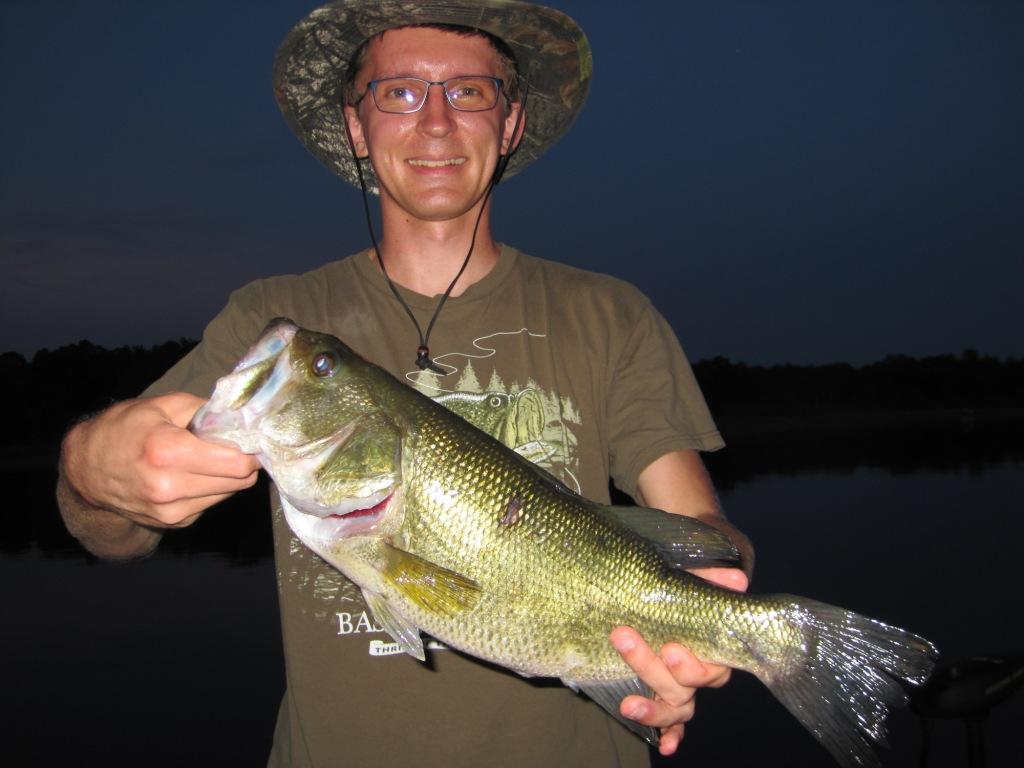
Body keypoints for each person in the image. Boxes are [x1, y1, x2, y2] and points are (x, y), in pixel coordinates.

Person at [57, 2, 753, 766]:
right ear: (357, 126)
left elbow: (705, 542)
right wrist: (96, 469)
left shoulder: (611, 316)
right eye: (399, 92)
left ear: (511, 122)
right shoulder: (270, 321)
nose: (434, 123)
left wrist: (695, 649)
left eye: (469, 91)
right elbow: (105, 530)